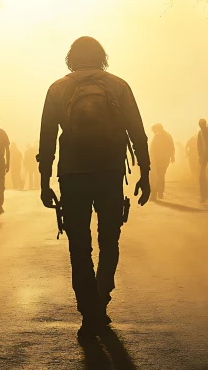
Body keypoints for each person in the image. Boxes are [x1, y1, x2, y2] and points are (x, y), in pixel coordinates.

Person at [38, 36, 151, 339]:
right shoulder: (118, 86)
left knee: (79, 245)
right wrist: (145, 173)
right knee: (109, 240)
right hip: (110, 172)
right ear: (102, 57)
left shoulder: (58, 88)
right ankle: (101, 300)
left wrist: (44, 181)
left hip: (72, 174)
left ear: (71, 58)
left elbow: (47, 138)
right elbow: (138, 132)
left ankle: (88, 311)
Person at [149, 123, 175, 199]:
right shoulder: (157, 136)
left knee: (159, 175)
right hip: (156, 159)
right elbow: (152, 147)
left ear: (158, 128)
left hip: (163, 160)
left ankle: (157, 193)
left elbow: (171, 147)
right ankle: (158, 193)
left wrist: (172, 156)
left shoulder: (166, 136)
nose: (154, 132)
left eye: (154, 130)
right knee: (158, 176)